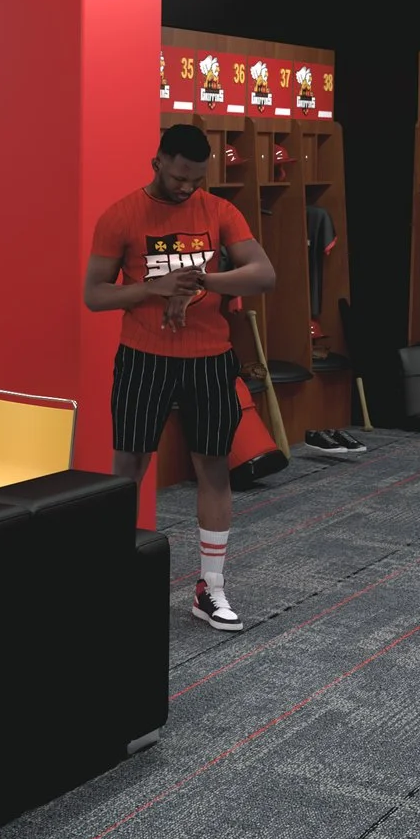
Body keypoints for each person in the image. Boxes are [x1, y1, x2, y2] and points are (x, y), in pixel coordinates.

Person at [84, 125, 276, 631]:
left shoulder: (219, 211)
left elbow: (264, 274)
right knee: (128, 465)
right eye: (179, 177)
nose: (188, 187)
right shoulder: (122, 215)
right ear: (158, 162)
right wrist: (156, 288)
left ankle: (209, 588)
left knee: (213, 466)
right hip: (143, 356)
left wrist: (200, 280)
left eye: (197, 178)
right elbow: (95, 295)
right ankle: (112, 577)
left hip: (210, 357)